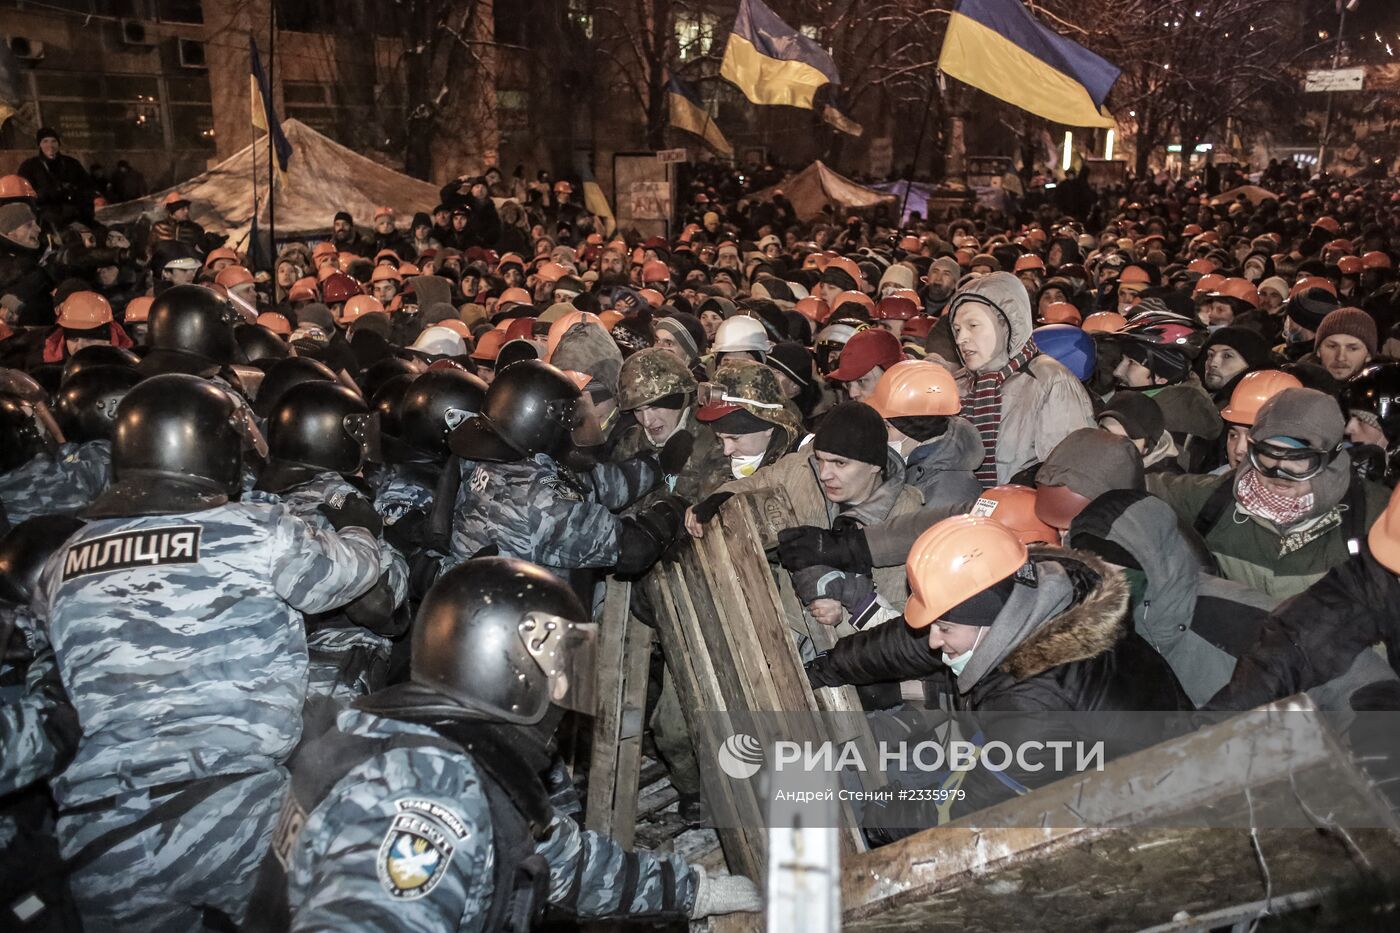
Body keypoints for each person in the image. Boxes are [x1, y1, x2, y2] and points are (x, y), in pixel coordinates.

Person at [28, 374, 384, 928]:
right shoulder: (257, 532)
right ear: (214, 449)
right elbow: (349, 576)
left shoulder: (65, 558)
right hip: (237, 810)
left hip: (101, 831)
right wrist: (363, 530)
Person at [245, 556, 760, 928]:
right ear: (520, 663)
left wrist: (697, 892)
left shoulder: (414, 742)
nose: (566, 688)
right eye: (565, 664)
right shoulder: (428, 797)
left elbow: (559, 858)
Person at [805, 514, 1189, 831]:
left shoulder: (1036, 710)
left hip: (1135, 816)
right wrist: (829, 667)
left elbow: (962, 813)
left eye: (945, 629)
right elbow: (913, 640)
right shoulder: (1027, 591)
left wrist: (874, 818)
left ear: (991, 626)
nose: (934, 641)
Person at [446, 359, 689, 600]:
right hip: (524, 629)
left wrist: (658, 466)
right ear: (539, 425)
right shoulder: (538, 502)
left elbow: (589, 484)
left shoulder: (494, 459)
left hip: (479, 609)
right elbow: (634, 549)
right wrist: (674, 509)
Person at [1150, 387, 1389, 598]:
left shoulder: (1376, 516)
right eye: (1268, 454)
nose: (1278, 472)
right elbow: (1139, 487)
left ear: (1331, 461)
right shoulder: (1215, 499)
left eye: (1298, 460)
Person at [947, 271, 1094, 485]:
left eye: (973, 326)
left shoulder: (1051, 382)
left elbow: (1070, 475)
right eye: (957, 329)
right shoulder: (957, 384)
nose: (961, 338)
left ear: (1007, 324)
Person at [17, 127, 96, 231]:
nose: (50, 145)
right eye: (45, 141)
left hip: (73, 212)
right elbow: (24, 193)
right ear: (39, 145)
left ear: (58, 144)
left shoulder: (72, 163)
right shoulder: (29, 166)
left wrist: (75, 194)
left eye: (53, 141)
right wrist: (48, 194)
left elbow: (87, 186)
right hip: (44, 215)